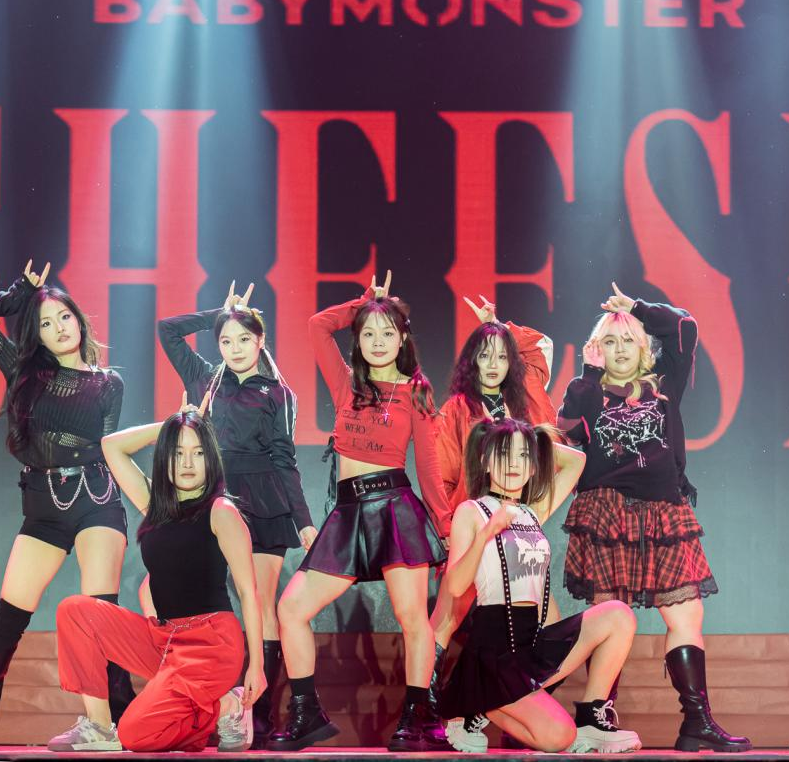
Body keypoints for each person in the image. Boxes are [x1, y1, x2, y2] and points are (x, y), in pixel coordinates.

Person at [0, 261, 142, 751]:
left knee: (98, 613)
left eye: (64, 317)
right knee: (8, 618)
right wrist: (21, 292)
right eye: (45, 323)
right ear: (35, 335)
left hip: (96, 499)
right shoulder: (24, 371)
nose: (58, 327)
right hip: (42, 506)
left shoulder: (108, 383)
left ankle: (118, 723)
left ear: (78, 320)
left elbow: (107, 447)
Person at [559, 283, 750, 752]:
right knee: (609, 616)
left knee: (688, 614)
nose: (621, 349)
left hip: (665, 511)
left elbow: (685, 326)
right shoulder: (588, 390)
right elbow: (566, 429)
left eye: (629, 340)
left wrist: (636, 309)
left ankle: (697, 722)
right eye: (611, 341)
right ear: (598, 349)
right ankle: (597, 716)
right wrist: (588, 373)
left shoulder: (663, 383)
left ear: (644, 347)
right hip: (606, 513)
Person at [269, 271, 450, 752]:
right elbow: (316, 326)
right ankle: (306, 714)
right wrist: (366, 302)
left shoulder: (416, 391)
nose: (377, 341)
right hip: (348, 513)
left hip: (394, 508)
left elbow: (429, 466)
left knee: (413, 617)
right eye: (368, 333)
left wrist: (444, 525)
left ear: (402, 338)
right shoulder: (347, 384)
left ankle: (419, 719)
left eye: (387, 332)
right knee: (291, 609)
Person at [50, 395, 265, 752]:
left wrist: (256, 666)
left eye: (198, 453)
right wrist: (172, 423)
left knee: (136, 735)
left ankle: (228, 706)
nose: (188, 463)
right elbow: (111, 446)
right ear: (166, 457)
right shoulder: (156, 505)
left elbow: (248, 591)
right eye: (178, 453)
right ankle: (100, 726)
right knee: (75, 611)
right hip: (165, 639)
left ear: (211, 459)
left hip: (211, 646)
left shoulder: (221, 511)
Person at [156, 281, 316, 746]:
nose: (235, 348)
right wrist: (218, 313)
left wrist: (304, 521)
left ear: (261, 341)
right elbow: (167, 330)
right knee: (180, 595)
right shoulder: (205, 379)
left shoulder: (278, 393)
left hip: (264, 502)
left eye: (245, 338)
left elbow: (285, 460)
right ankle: (200, 700)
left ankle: (256, 713)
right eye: (226, 341)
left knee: (260, 604)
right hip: (213, 500)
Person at [438, 418, 641, 754]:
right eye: (504, 455)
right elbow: (457, 586)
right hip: (495, 651)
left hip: (532, 644)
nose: (514, 464)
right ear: (485, 462)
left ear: (533, 466)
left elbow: (576, 461)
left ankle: (591, 716)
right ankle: (477, 700)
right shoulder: (472, 511)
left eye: (523, 456)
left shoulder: (532, 512)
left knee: (619, 615)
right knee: (560, 737)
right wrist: (488, 532)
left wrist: (534, 439)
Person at [429, 294, 559, 745]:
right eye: (484, 355)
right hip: (474, 526)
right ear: (472, 361)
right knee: (447, 618)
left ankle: (503, 706)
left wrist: (499, 324)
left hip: (516, 526)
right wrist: (451, 531)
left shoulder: (524, 401)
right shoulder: (456, 410)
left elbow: (541, 346)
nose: (493, 364)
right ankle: (426, 712)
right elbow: (442, 476)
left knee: (538, 621)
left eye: (502, 356)